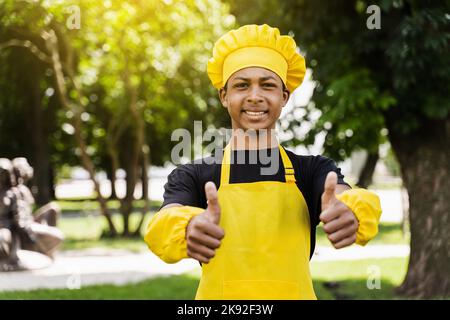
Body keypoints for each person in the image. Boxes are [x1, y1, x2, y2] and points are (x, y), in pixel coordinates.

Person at [144, 24, 382, 299]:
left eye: (267, 85)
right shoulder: (195, 175)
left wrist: (350, 211)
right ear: (224, 96)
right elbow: (164, 221)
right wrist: (187, 226)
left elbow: (343, 197)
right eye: (242, 85)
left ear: (284, 97)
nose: (254, 96)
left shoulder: (312, 171)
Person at [11, 157, 64, 259]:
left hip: (30, 220)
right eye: (25, 167)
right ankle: (44, 251)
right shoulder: (15, 191)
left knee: (52, 209)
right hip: (25, 226)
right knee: (57, 236)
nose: (29, 169)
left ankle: (47, 249)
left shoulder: (24, 188)